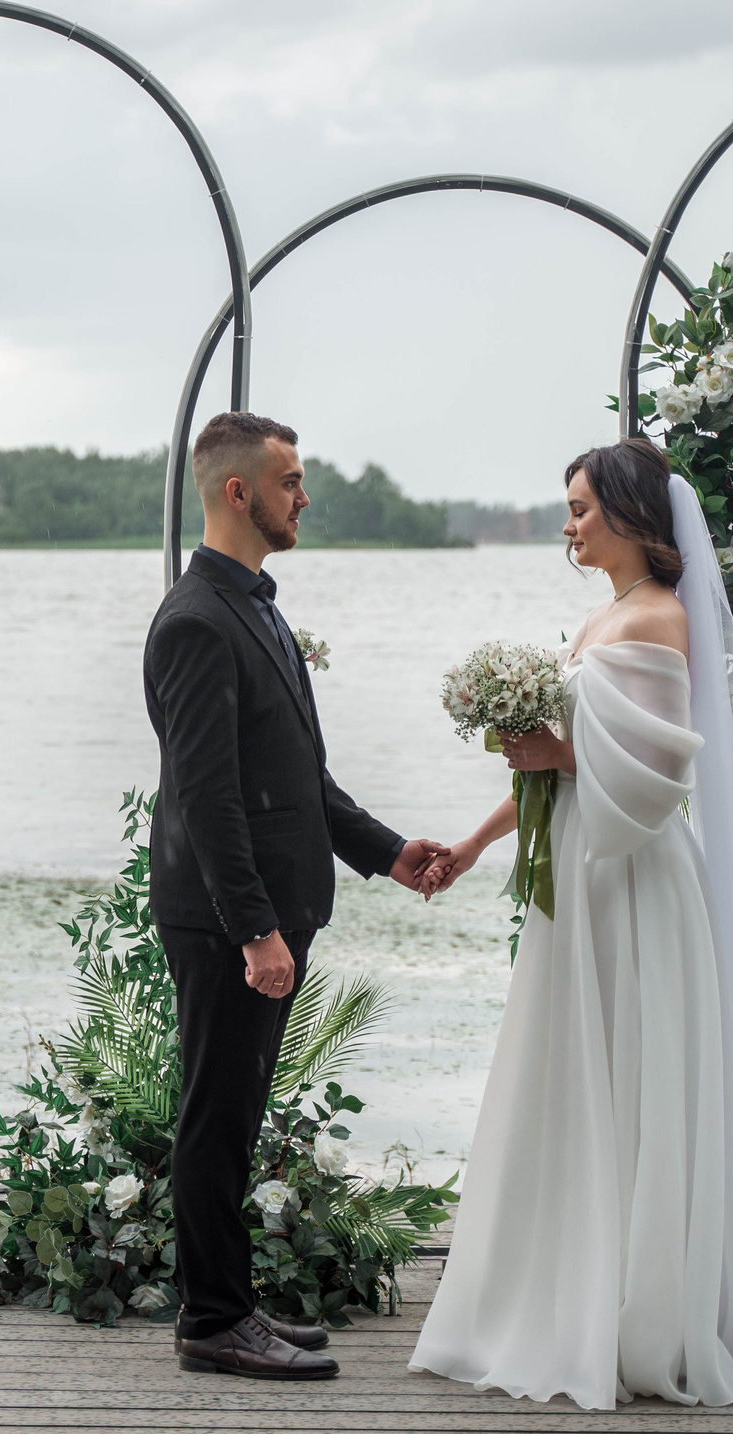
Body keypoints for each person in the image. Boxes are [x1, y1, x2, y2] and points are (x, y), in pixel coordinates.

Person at [409, 437, 733, 1409]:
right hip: (578, 876)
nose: (569, 524)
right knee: (568, 1079)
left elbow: (652, 780)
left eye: (584, 506)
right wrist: (472, 847)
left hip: (631, 877)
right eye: (569, 507)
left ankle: (634, 1307)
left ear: (635, 516)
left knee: (631, 1081)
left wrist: (552, 747)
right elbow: (561, 764)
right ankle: (559, 1288)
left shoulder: (662, 619)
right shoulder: (600, 620)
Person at [142, 411, 448, 1380]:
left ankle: (223, 1302)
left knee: (234, 1112)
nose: (303, 497)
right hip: (229, 921)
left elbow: (296, 781)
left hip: (270, 910)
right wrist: (254, 930)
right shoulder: (196, 622)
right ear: (238, 492)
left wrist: (389, 852)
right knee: (216, 1115)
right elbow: (209, 798)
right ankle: (213, 1321)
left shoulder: (256, 606)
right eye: (290, 481)